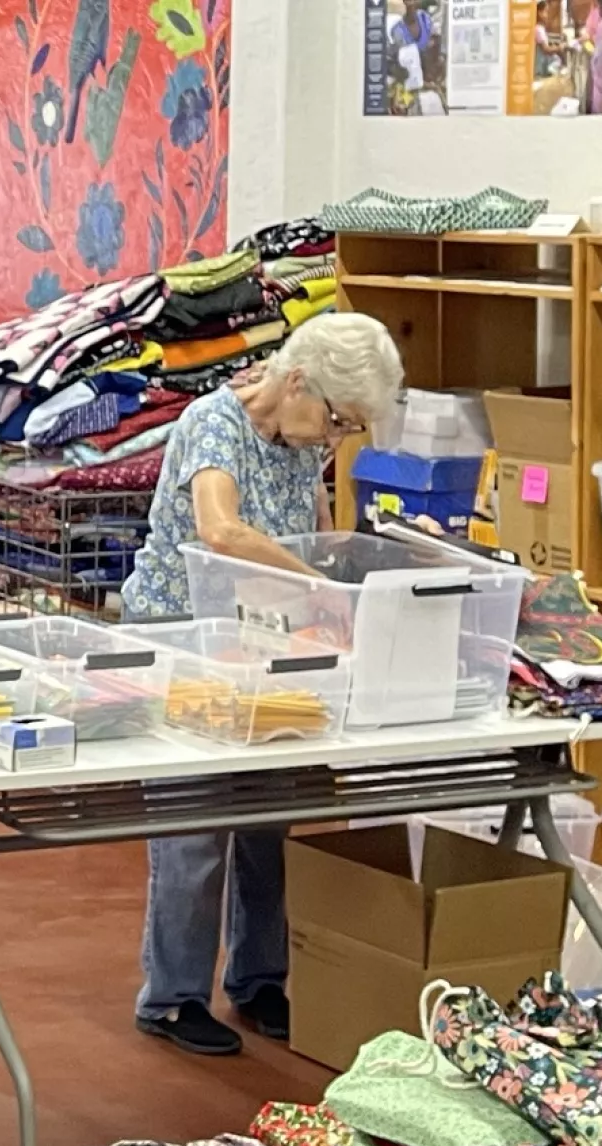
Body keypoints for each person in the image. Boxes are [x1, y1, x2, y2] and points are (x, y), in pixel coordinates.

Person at [117, 311, 406, 1057]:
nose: (336, 438)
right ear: (299, 382)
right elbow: (223, 531)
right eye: (338, 420)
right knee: (194, 825)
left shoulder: (304, 437)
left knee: (270, 815)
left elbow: (314, 524)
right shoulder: (215, 426)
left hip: (264, 641)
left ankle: (260, 978)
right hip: (182, 636)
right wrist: (324, 592)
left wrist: (333, 579)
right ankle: (173, 996)